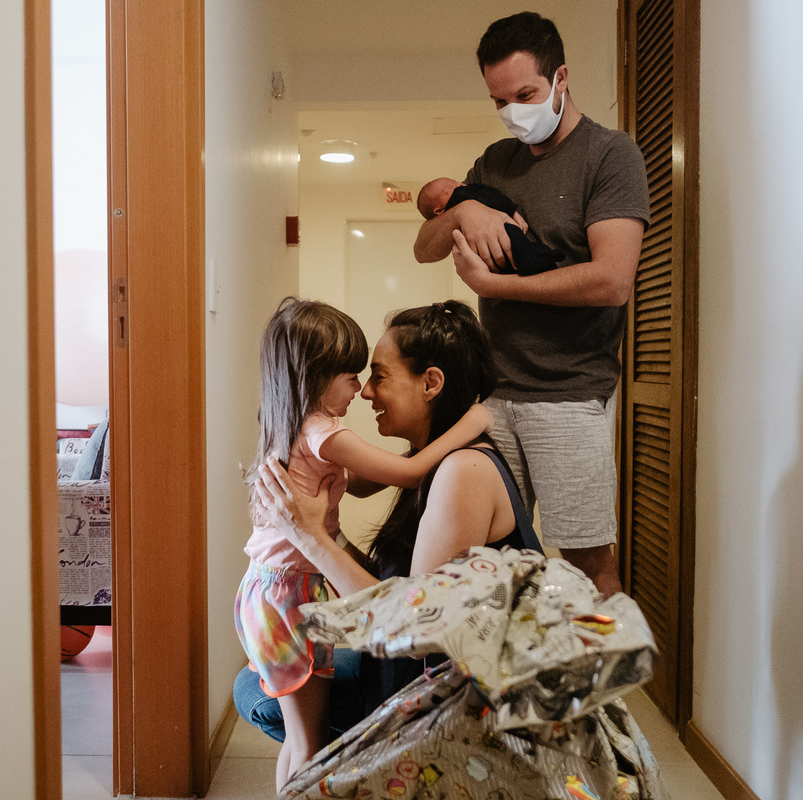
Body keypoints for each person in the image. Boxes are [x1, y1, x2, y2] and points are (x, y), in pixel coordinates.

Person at [413, 12, 651, 596]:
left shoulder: (610, 156)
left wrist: (495, 288)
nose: (515, 111)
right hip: (493, 398)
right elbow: (424, 247)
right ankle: (507, 688)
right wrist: (465, 210)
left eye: (525, 95)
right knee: (488, 564)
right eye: (500, 101)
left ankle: (597, 689)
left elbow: (611, 281)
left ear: (560, 78)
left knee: (588, 566)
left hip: (569, 395)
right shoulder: (495, 163)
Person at [234, 300, 540, 743]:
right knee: (258, 683)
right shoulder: (437, 460)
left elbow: (415, 625)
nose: (364, 392)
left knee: (258, 693)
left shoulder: (462, 472)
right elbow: (391, 578)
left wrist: (309, 536)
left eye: (379, 376)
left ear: (431, 383)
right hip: (410, 665)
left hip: (450, 703)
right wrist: (313, 529)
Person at [417, 176, 563, 275]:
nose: (457, 185)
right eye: (449, 190)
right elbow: (421, 252)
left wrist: (487, 284)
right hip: (501, 249)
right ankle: (537, 259)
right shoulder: (462, 196)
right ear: (439, 211)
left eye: (455, 182)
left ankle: (540, 256)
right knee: (516, 249)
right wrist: (463, 210)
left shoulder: (467, 191)